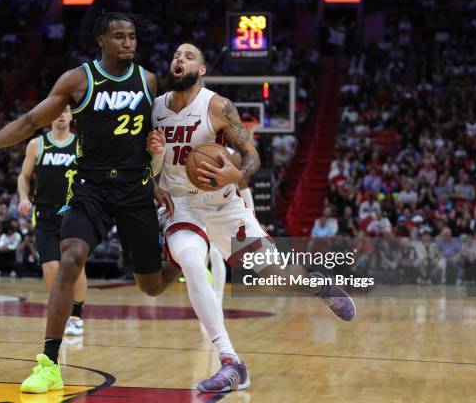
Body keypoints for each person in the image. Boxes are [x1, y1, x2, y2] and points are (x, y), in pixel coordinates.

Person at [0, 12, 179, 394]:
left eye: (133, 37)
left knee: (152, 286)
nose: (128, 43)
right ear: (101, 42)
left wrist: (156, 182)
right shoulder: (78, 79)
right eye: (120, 37)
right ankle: (49, 363)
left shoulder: (149, 80)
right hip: (90, 187)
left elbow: (150, 140)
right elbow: (29, 121)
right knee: (70, 257)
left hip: (135, 187)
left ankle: (184, 262)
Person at [147, 43, 356, 393]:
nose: (179, 60)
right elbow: (147, 165)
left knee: (275, 276)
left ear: (202, 71)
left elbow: (251, 157)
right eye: (176, 56)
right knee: (193, 263)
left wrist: (235, 176)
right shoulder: (154, 110)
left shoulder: (218, 107)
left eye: (189, 56)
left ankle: (318, 284)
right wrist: (153, 166)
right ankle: (231, 362)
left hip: (223, 207)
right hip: (180, 205)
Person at [18, 105, 87, 336]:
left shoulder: (81, 144)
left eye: (65, 111)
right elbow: (24, 176)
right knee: (51, 266)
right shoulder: (37, 144)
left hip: (74, 211)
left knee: (75, 263)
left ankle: (77, 315)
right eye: (57, 111)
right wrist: (23, 197)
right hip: (45, 213)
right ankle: (62, 308)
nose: (61, 115)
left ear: (71, 116)